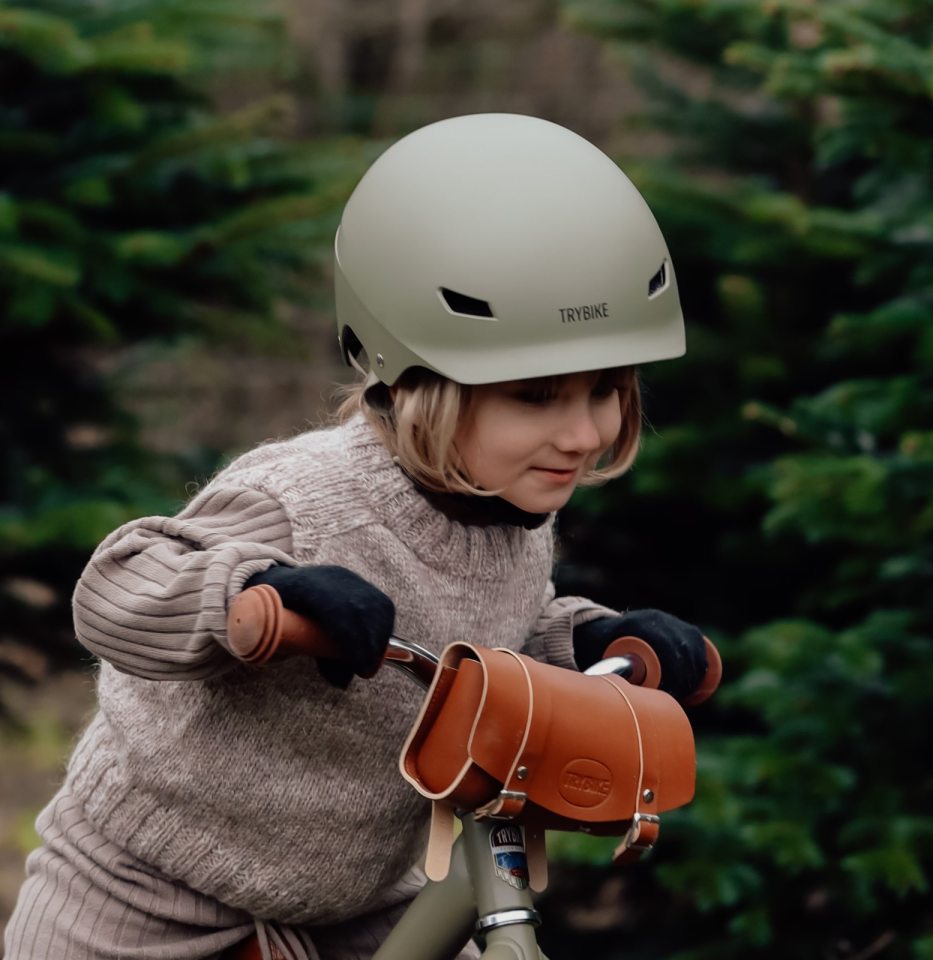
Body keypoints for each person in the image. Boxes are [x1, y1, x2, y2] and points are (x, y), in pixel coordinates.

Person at [4, 113, 708, 960]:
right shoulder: (302, 498)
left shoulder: (507, 511)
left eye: (605, 391)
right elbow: (118, 589)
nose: (585, 433)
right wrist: (256, 592)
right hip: (146, 895)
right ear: (415, 381)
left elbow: (479, 641)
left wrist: (588, 639)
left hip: (352, 903)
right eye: (536, 397)